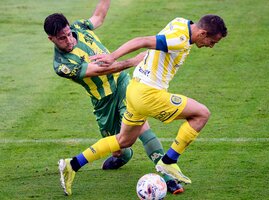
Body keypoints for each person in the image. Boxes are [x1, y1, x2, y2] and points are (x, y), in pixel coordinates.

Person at [56, 12, 227, 195]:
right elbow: (142, 41)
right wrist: (112, 56)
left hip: (134, 89)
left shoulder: (180, 22)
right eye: (213, 42)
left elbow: (155, 47)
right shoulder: (180, 39)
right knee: (202, 114)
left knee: (124, 140)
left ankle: (71, 164)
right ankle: (168, 162)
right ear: (202, 33)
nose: (211, 46)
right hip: (149, 95)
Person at [43, 0, 183, 196]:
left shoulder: (78, 28)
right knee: (121, 149)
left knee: (142, 126)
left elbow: (99, 16)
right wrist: (135, 60)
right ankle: (122, 156)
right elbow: (104, 69)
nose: (69, 40)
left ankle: (168, 177)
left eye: (68, 34)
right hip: (103, 103)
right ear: (51, 39)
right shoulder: (63, 65)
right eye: (62, 39)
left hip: (123, 84)